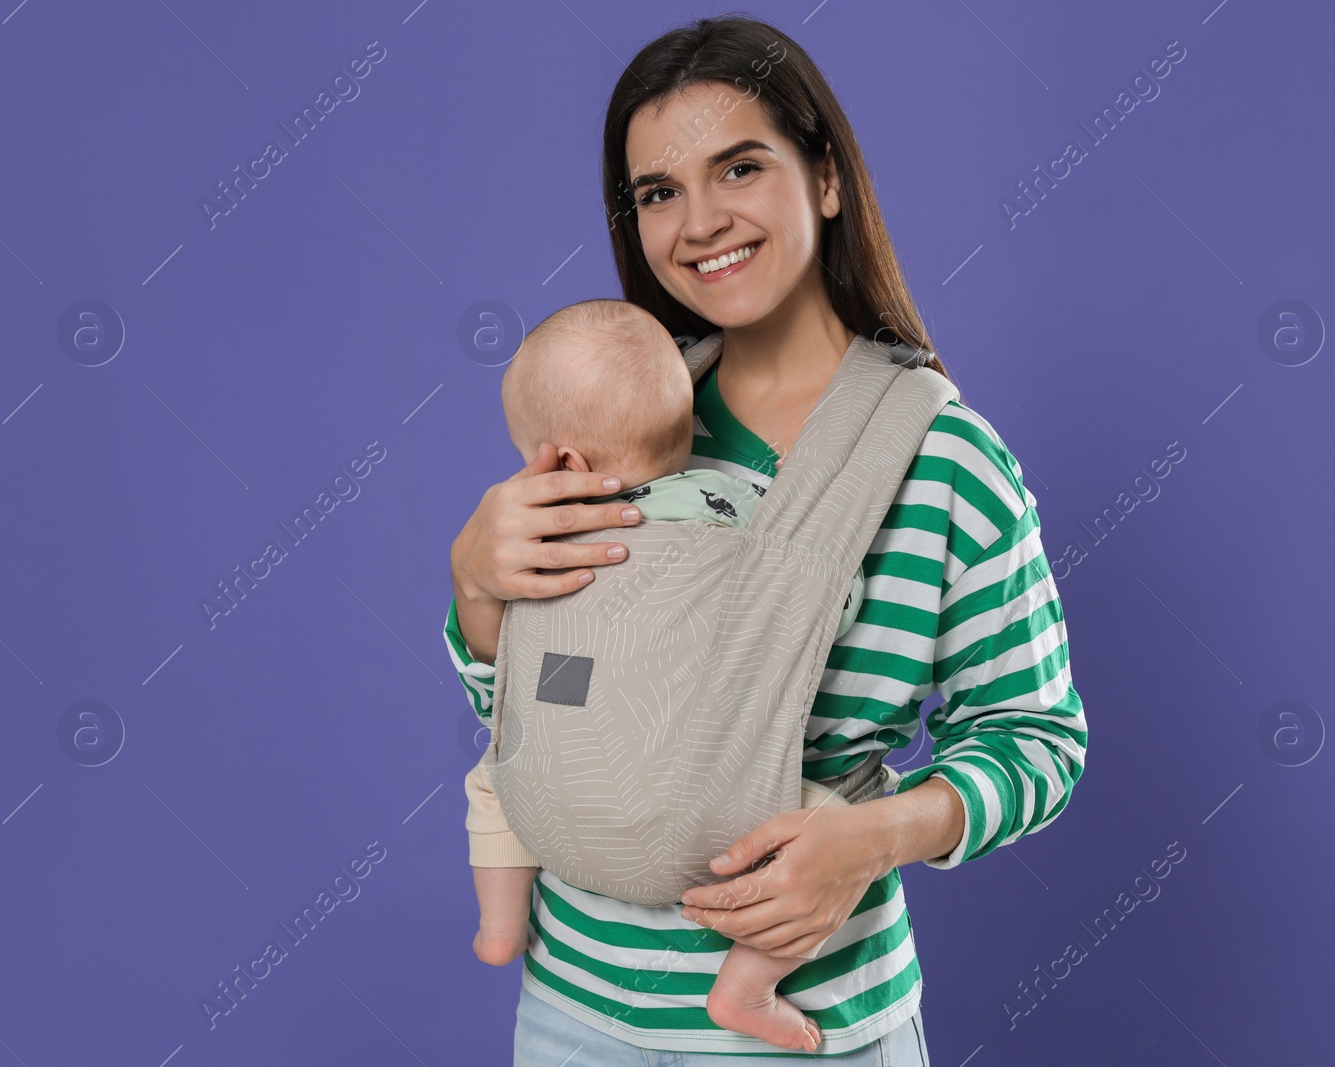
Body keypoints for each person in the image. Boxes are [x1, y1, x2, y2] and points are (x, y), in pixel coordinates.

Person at [443, 14, 1087, 1062]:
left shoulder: (943, 460)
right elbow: (543, 710)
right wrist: (477, 593)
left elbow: (1038, 738)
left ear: (825, 177)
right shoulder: (607, 430)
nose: (698, 222)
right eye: (658, 192)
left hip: (807, 1027)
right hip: (570, 1008)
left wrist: (870, 836)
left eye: (738, 167)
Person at [463, 296, 870, 1052]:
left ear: (564, 466)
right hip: (722, 810)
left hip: (572, 786)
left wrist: (480, 586)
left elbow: (512, 693)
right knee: (834, 818)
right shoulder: (744, 506)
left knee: (494, 777)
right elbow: (827, 599)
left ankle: (498, 922)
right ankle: (746, 986)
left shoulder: (552, 542)